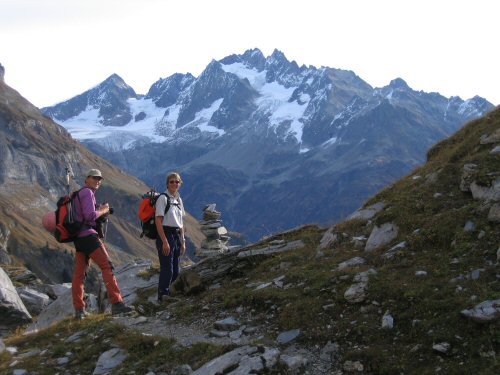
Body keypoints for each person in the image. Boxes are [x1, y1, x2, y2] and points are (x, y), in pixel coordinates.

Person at [72, 168, 132, 319]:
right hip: (89, 237)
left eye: (100, 179)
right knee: (107, 266)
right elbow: (90, 216)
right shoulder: (87, 193)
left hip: (78, 239)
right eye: (94, 178)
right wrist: (104, 210)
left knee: (79, 274)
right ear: (87, 179)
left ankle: (79, 311)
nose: (98, 181)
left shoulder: (78, 194)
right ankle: (117, 304)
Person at [155, 172, 186, 301]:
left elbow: (181, 222)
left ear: (180, 184)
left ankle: (173, 294)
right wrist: (164, 242)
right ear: (167, 184)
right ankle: (162, 296)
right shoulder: (163, 198)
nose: (174, 184)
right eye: (172, 181)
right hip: (166, 233)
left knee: (176, 267)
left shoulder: (179, 199)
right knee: (167, 267)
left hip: (177, 234)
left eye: (177, 182)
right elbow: (158, 220)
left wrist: (183, 240)